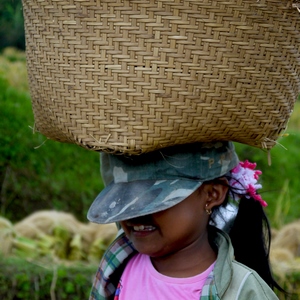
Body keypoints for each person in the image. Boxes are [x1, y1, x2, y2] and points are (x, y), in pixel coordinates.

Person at [87, 141, 282, 299]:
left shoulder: (241, 291)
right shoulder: (117, 266)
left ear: (212, 194)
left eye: (154, 200)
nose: (134, 214)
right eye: (125, 200)